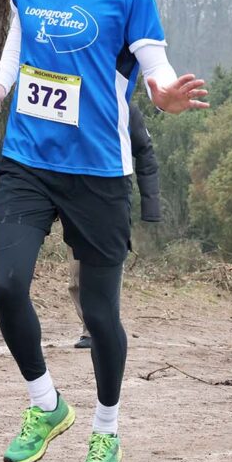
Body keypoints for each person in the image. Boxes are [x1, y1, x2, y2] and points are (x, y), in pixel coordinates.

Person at [0, 0, 208, 462]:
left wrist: (163, 94)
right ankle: (46, 406)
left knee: (100, 314)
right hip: (28, 158)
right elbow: (21, 36)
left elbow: (153, 61)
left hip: (100, 169)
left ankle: (106, 432)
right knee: (4, 283)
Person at [69, 102, 161, 350]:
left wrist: (151, 206)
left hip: (110, 201)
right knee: (76, 278)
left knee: (104, 272)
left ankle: (100, 328)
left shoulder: (125, 107)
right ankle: (91, 327)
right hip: (73, 200)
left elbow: (145, 151)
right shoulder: (73, 98)